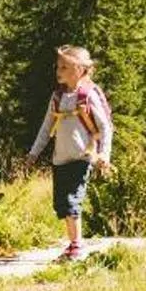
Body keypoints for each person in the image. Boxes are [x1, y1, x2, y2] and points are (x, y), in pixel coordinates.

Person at [28, 45, 112, 261]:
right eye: (58, 66)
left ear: (81, 70)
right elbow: (46, 128)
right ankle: (73, 243)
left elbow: (105, 127)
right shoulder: (57, 97)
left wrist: (104, 155)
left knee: (72, 201)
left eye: (65, 67)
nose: (59, 71)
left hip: (82, 157)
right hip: (60, 159)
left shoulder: (87, 95)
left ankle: (76, 246)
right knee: (62, 204)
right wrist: (33, 153)